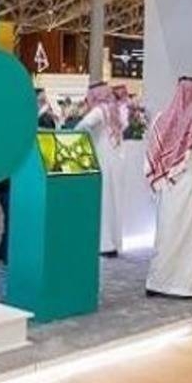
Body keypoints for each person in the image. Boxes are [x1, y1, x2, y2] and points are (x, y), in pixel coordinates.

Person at [145, 76, 192, 299]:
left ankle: (158, 282)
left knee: (167, 232)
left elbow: (153, 153)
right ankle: (187, 286)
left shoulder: (161, 119)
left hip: (168, 187)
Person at [0, 89, 58, 264]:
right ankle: (6, 252)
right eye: (40, 99)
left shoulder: (35, 120)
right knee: (11, 215)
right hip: (7, 180)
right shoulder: (19, 124)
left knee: (12, 216)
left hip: (14, 179)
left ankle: (3, 251)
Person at [75, 82, 125, 258]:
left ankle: (104, 244)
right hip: (116, 161)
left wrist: (87, 140)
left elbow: (81, 127)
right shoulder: (114, 110)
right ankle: (114, 242)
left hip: (102, 160)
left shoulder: (99, 111)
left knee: (103, 202)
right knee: (114, 202)